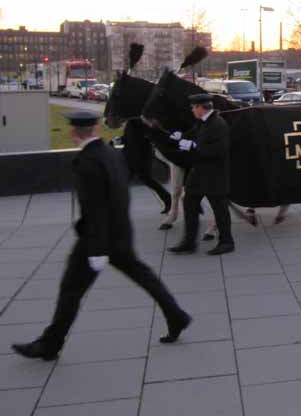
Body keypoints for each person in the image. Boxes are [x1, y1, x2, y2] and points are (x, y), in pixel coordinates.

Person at [12, 111, 191, 360]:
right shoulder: (111, 153)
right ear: (96, 129)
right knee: (146, 278)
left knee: (70, 291)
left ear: (73, 132)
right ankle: (177, 316)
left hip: (96, 240)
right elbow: (121, 194)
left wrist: (96, 250)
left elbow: (94, 208)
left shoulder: (87, 161)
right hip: (119, 233)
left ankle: (49, 345)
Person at [169, 93, 234, 256]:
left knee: (220, 209)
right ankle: (189, 242)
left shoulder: (218, 124)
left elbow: (219, 150)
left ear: (200, 108)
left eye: (193, 107)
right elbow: (192, 134)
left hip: (214, 175)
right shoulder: (202, 122)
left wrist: (193, 147)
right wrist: (180, 136)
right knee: (189, 204)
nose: (192, 110)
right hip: (198, 174)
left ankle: (227, 242)